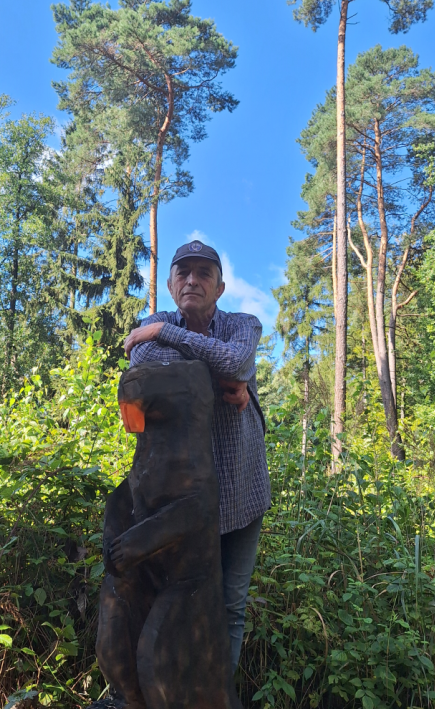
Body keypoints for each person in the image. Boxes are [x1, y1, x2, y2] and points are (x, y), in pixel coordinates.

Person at [123, 239, 271, 676]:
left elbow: (236, 357)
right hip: (178, 500)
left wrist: (168, 336)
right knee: (173, 595)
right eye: (183, 272)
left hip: (241, 492)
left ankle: (216, 696)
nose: (192, 280)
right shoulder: (150, 324)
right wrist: (226, 375)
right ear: (170, 284)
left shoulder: (243, 323)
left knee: (229, 606)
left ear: (220, 287)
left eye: (203, 273)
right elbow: (143, 366)